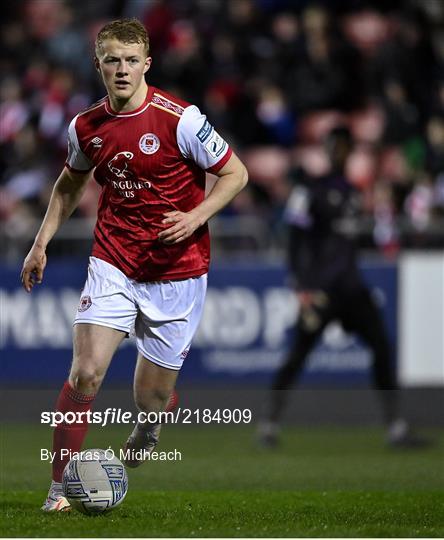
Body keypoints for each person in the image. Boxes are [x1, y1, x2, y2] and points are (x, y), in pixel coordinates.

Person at [21, 18, 248, 512]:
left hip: (178, 270)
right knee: (85, 373)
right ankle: (59, 488)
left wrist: (196, 216)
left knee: (150, 395)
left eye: (131, 61)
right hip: (113, 260)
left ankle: (150, 422)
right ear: (97, 63)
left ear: (147, 64)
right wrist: (40, 244)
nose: (121, 70)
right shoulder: (86, 126)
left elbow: (235, 172)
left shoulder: (181, 118)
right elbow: (68, 185)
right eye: (111, 60)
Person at [257, 126, 425, 449]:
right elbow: (295, 240)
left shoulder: (351, 190)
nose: (341, 152)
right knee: (297, 354)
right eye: (336, 146)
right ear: (327, 149)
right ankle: (269, 423)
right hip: (320, 290)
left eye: (346, 146)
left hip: (351, 287)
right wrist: (300, 284)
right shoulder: (311, 190)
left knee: (381, 346)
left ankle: (395, 427)